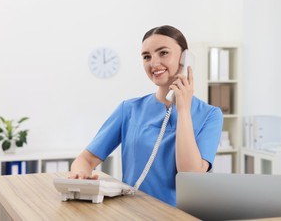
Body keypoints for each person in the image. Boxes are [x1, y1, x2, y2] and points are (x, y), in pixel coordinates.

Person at [70, 25, 223, 206]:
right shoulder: (129, 109)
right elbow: (86, 159)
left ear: (185, 59)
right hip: (132, 213)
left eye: (163, 53)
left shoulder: (211, 115)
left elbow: (190, 175)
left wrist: (182, 110)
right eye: (146, 57)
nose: (153, 63)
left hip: (179, 216)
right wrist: (81, 174)